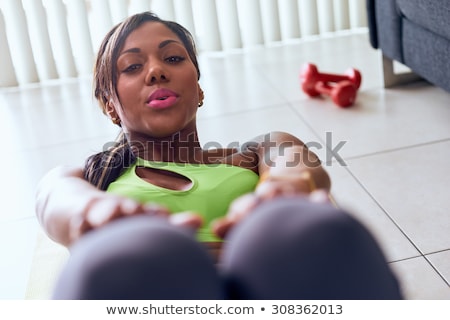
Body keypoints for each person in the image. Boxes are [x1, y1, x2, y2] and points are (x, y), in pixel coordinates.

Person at [35, 11, 402, 300]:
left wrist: (284, 187)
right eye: (133, 67)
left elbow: (293, 160)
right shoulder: (94, 177)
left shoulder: (255, 153)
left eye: (173, 58)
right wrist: (92, 212)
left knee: (306, 232)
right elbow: (54, 196)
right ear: (109, 104)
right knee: (136, 252)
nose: (157, 71)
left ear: (198, 86)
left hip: (269, 290)